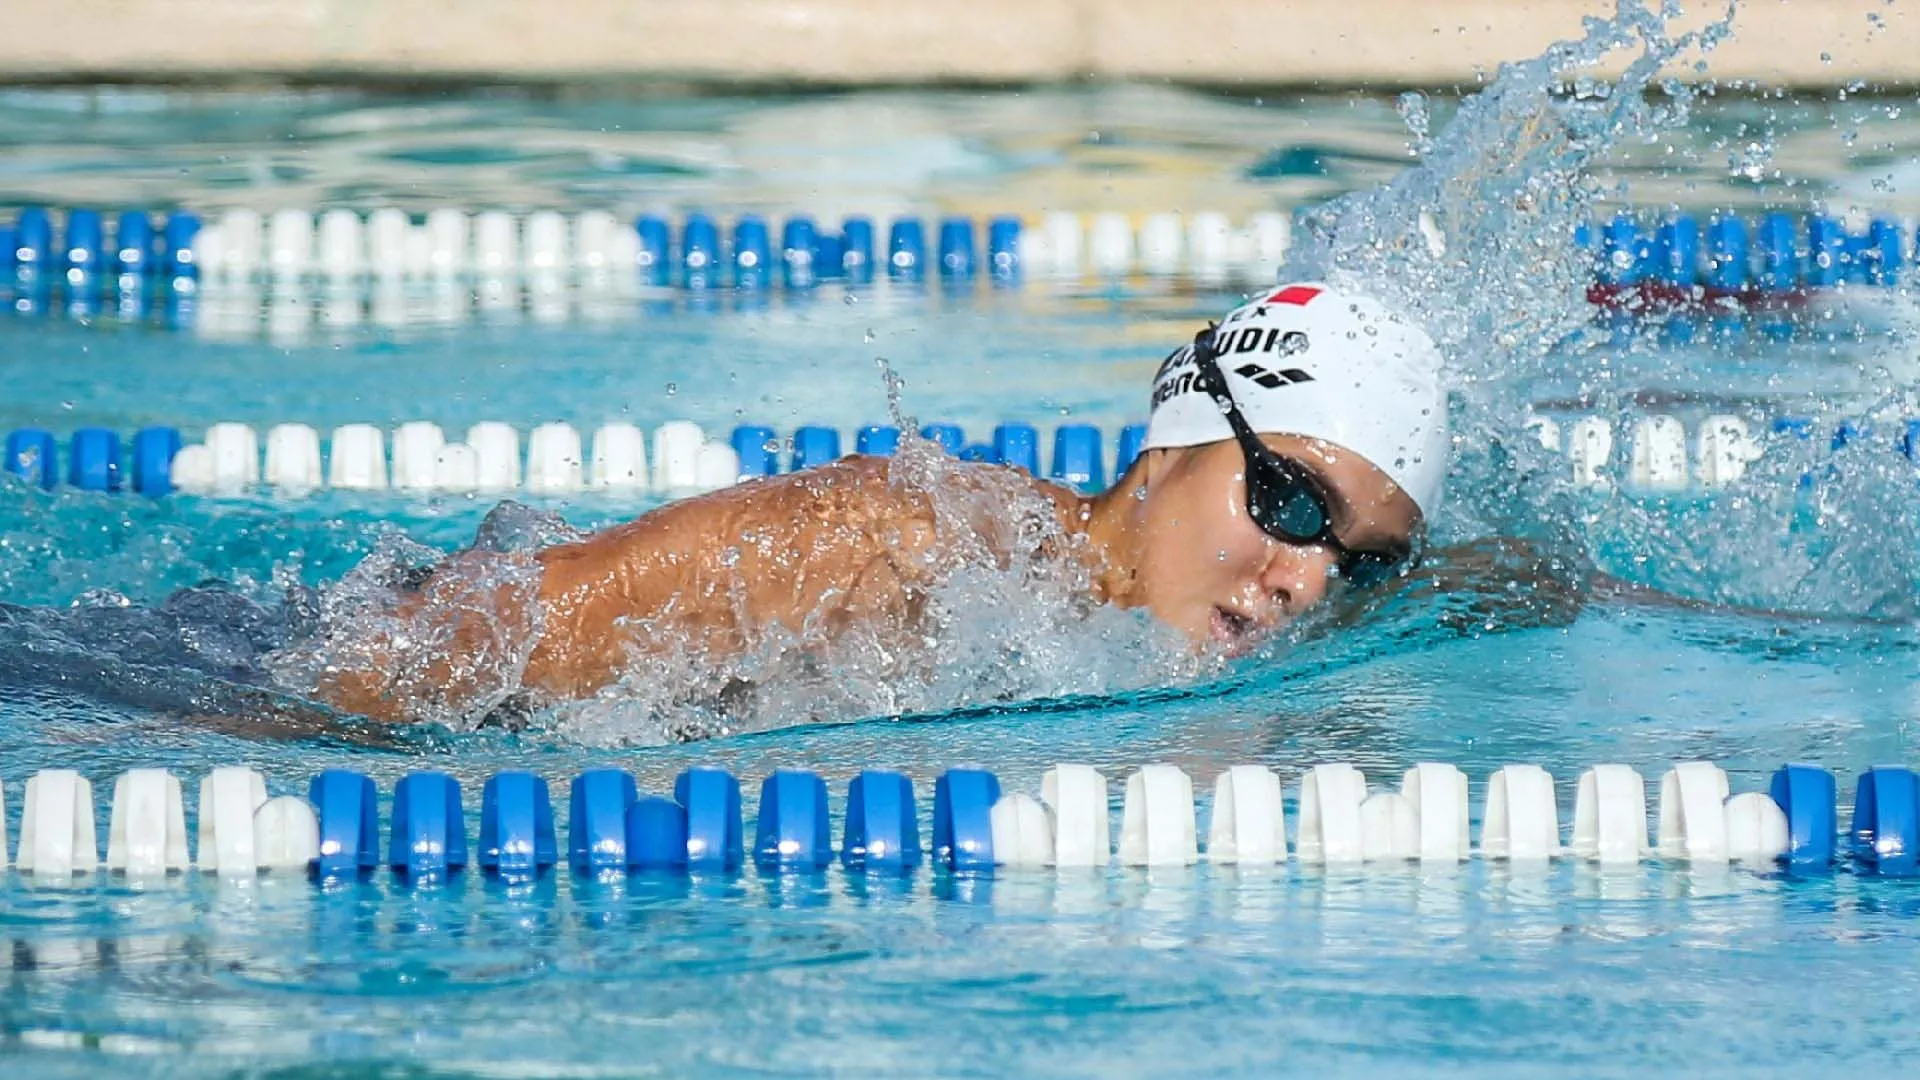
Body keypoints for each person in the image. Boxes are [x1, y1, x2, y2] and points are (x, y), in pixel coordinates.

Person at [307, 282, 1450, 726]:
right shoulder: (918, 545)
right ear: (1166, 451)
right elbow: (435, 647)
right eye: (1293, 502)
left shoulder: (1140, 644)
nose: (1307, 580)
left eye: (1367, 564)